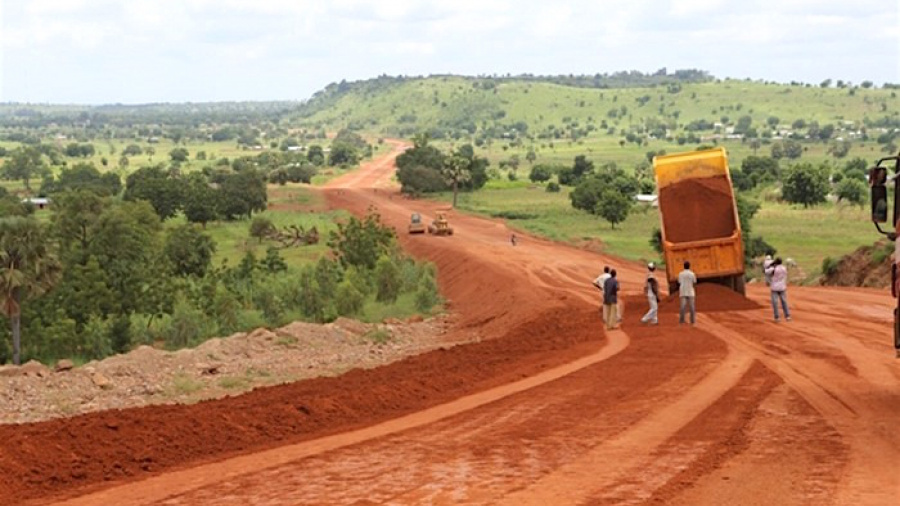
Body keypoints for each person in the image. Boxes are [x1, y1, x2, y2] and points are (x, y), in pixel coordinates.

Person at [765, 257, 791, 322]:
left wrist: (770, 265)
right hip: (782, 287)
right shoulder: (784, 268)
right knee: (784, 301)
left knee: (775, 303)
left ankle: (777, 317)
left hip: (774, 288)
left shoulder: (773, 268)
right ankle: (787, 316)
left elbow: (766, 271)